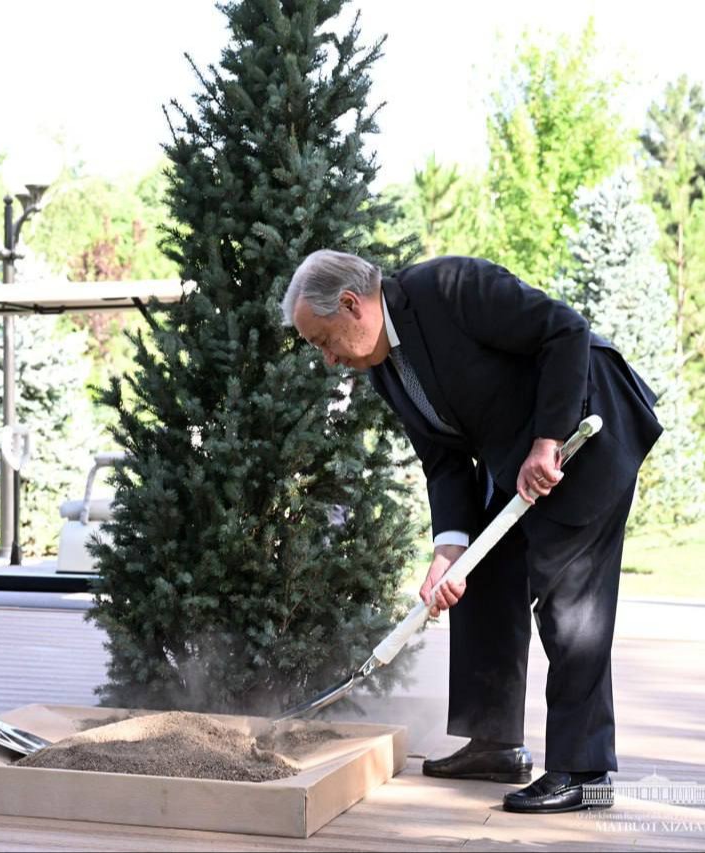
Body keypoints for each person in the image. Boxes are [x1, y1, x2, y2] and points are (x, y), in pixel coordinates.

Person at [282, 250, 661, 814]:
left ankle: (584, 771)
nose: (329, 359)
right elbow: (444, 462)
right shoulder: (386, 367)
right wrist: (448, 551)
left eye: (323, 341)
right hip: (520, 458)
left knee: (570, 602)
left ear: (350, 304)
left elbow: (565, 330)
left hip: (586, 429)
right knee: (477, 577)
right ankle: (495, 744)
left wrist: (548, 440)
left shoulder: (449, 287)